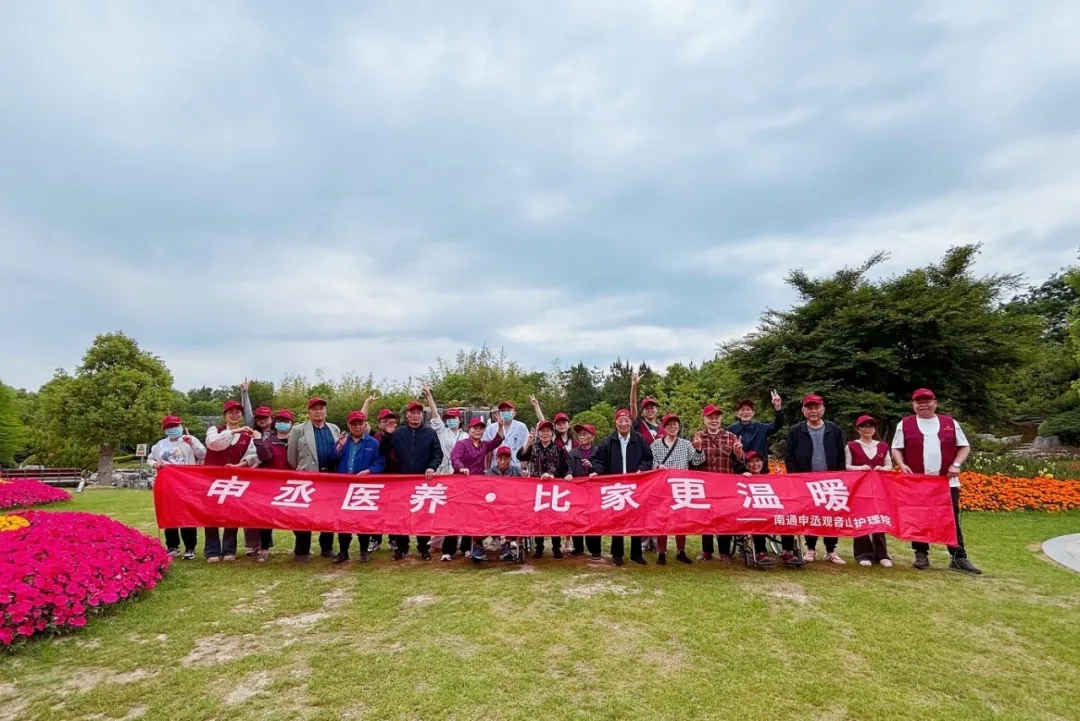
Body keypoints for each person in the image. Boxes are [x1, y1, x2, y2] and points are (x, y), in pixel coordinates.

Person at [891, 388, 981, 574]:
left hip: (945, 481)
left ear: (935, 403)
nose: (923, 405)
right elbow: (896, 448)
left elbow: (964, 446)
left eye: (927, 401)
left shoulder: (949, 423)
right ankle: (921, 553)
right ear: (913, 405)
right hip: (917, 481)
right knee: (918, 517)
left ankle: (958, 556)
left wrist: (956, 464)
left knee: (951, 518)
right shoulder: (905, 424)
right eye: (919, 402)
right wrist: (901, 464)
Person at [785, 394, 846, 564]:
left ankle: (831, 550)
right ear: (803, 411)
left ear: (823, 409)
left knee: (831, 515)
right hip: (806, 481)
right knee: (809, 515)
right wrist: (795, 478)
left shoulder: (833, 429)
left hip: (831, 481)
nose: (813, 411)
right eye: (809, 408)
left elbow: (841, 455)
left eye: (816, 407)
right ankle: (810, 549)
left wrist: (841, 476)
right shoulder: (797, 430)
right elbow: (788, 456)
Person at [589, 409, 654, 566]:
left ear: (631, 422)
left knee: (636, 520)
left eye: (626, 420)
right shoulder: (608, 441)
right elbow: (599, 460)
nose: (623, 423)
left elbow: (647, 458)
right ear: (615, 422)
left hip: (635, 486)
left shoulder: (639, 439)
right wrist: (596, 471)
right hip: (616, 486)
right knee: (617, 520)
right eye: (620, 420)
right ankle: (617, 554)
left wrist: (641, 469)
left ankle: (636, 554)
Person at [379, 400, 443, 560]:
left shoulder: (430, 433)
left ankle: (423, 548)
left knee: (423, 515)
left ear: (422, 415)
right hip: (402, 480)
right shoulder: (398, 432)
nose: (415, 416)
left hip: (423, 481)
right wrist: (387, 435)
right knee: (401, 515)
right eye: (412, 413)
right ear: (407, 415)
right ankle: (401, 548)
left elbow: (438, 454)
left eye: (418, 413)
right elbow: (383, 452)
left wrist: (431, 467)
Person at [286, 397, 342, 562]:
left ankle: (327, 548)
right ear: (309, 412)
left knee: (328, 514)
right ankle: (302, 550)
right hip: (308, 477)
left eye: (321, 408)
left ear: (326, 411)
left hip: (330, 478)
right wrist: (304, 470)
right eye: (315, 408)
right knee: (303, 515)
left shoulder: (334, 428)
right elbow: (292, 457)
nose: (318, 411)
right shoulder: (298, 430)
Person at [204, 400, 259, 562]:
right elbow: (214, 444)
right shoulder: (215, 430)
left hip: (234, 480)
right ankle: (212, 550)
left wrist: (239, 465)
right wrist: (234, 432)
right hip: (212, 479)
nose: (234, 415)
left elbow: (252, 456)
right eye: (231, 413)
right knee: (210, 514)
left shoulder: (248, 435)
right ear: (225, 415)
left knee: (232, 513)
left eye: (237, 413)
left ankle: (229, 549)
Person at [330, 410, 385, 564]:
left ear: (365, 424)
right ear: (349, 425)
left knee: (363, 520)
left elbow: (380, 463)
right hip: (344, 487)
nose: (357, 427)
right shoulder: (343, 440)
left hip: (363, 488)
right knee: (343, 520)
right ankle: (343, 552)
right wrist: (339, 448)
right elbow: (331, 459)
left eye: (360, 423)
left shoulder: (373, 443)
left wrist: (370, 471)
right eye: (354, 424)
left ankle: (363, 551)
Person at [148, 415, 206, 560]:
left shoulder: (188, 440)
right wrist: (154, 464)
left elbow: (203, 454)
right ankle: (172, 546)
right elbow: (151, 458)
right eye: (169, 427)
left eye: (175, 426)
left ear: (181, 426)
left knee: (187, 514)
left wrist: (192, 442)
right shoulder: (160, 445)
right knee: (169, 514)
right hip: (167, 484)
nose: (172, 429)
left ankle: (190, 547)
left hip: (186, 484)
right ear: (164, 429)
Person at [650, 413, 705, 565]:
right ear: (665, 427)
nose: (673, 427)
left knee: (681, 520)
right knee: (663, 520)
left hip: (681, 487)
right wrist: (657, 467)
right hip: (663, 488)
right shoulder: (655, 445)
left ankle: (681, 551)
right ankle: (661, 552)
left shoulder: (686, 444)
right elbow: (651, 464)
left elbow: (697, 461)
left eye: (675, 424)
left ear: (679, 427)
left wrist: (699, 448)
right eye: (669, 424)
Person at [692, 404, 744, 562]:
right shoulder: (698, 437)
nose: (714, 420)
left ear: (721, 419)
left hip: (725, 484)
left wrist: (738, 452)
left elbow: (740, 462)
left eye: (716, 417)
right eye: (710, 417)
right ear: (704, 419)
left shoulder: (730, 436)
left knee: (724, 517)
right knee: (706, 517)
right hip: (705, 484)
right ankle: (707, 551)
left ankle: (724, 552)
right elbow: (693, 462)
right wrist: (698, 448)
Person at [447, 417, 504, 561]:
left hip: (477, 486)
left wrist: (500, 426)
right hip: (461, 484)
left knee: (471, 516)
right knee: (456, 516)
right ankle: (448, 550)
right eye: (475, 428)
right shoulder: (462, 444)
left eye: (481, 429)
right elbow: (455, 458)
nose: (478, 431)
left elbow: (497, 441)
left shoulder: (484, 445)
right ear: (469, 429)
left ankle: (467, 547)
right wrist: (461, 468)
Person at [518, 420, 571, 559]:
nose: (545, 434)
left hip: (554, 487)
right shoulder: (534, 447)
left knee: (555, 518)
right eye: (542, 431)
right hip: (536, 487)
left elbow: (564, 467)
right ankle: (539, 547)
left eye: (548, 431)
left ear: (552, 433)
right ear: (539, 433)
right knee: (538, 517)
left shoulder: (558, 449)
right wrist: (528, 442)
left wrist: (553, 475)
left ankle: (556, 547)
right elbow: (521, 456)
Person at [846, 415, 894, 568]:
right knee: (861, 518)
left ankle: (882, 554)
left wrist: (883, 469)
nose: (867, 429)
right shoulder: (851, 446)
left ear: (874, 429)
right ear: (858, 429)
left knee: (879, 518)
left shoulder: (882, 446)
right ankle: (863, 553)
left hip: (878, 488)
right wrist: (859, 468)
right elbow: (846, 466)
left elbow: (889, 465)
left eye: (870, 426)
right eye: (863, 426)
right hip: (859, 488)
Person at [251, 408, 295, 562]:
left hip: (293, 484)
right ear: (275, 423)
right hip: (271, 484)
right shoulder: (268, 441)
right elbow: (265, 457)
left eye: (286, 421)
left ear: (292, 424)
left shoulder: (297, 440)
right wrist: (258, 442)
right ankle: (264, 549)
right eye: (280, 421)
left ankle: (302, 549)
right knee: (266, 517)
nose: (283, 424)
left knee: (297, 516)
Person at [243, 404, 275, 557]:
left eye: (265, 417)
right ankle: (252, 544)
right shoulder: (250, 434)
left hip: (272, 478)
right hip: (252, 477)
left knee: (266, 514)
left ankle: (265, 546)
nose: (262, 420)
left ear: (271, 419)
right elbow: (251, 455)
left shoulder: (276, 435)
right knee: (251, 513)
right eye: (259, 418)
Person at [567, 424, 602, 559]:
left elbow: (602, 467)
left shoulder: (598, 452)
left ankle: (595, 549)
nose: (582, 436)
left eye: (585, 433)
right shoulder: (573, 453)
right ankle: (578, 547)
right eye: (580, 434)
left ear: (592, 437)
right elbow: (568, 467)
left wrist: (592, 467)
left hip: (594, 491)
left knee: (594, 519)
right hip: (577, 490)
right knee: (576, 518)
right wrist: (569, 474)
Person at [366, 407, 398, 554]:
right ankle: (375, 538)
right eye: (385, 421)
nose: (388, 423)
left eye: (391, 420)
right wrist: (367, 403)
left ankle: (394, 538)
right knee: (376, 511)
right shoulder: (373, 436)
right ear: (379, 423)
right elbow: (361, 419)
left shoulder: (400, 436)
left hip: (395, 478)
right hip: (377, 479)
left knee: (394, 510)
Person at [728, 391, 785, 472]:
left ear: (753, 413)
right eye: (742, 410)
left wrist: (778, 409)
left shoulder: (761, 427)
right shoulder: (730, 430)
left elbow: (777, 425)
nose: (745, 412)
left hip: (761, 471)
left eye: (748, 410)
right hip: (741, 473)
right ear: (737, 414)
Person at [738, 452, 777, 567]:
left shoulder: (769, 478)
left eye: (757, 461)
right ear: (746, 465)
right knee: (758, 519)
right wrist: (743, 478)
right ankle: (761, 552)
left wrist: (780, 477)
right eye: (751, 461)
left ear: (762, 463)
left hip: (771, 511)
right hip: (752, 513)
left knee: (786, 518)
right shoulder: (743, 478)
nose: (755, 464)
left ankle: (788, 551)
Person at [487, 446, 524, 561]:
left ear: (510, 459)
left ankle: (507, 543)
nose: (503, 461)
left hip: (512, 504)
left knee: (514, 514)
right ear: (496, 459)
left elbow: (525, 486)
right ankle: (486, 542)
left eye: (506, 459)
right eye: (500, 459)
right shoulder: (490, 472)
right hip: (495, 505)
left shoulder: (516, 471)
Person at [481, 401, 529, 472]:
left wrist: (524, 467)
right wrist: (487, 469)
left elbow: (526, 448)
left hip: (516, 467)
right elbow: (487, 451)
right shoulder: (491, 428)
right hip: (495, 469)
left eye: (509, 410)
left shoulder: (522, 427)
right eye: (503, 411)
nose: (506, 412)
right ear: (499, 413)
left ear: (514, 413)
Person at [629, 371, 662, 444]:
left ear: (657, 409)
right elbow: (632, 404)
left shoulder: (664, 429)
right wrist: (634, 386)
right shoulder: (638, 425)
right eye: (646, 408)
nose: (650, 410)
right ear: (642, 412)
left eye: (652, 407)